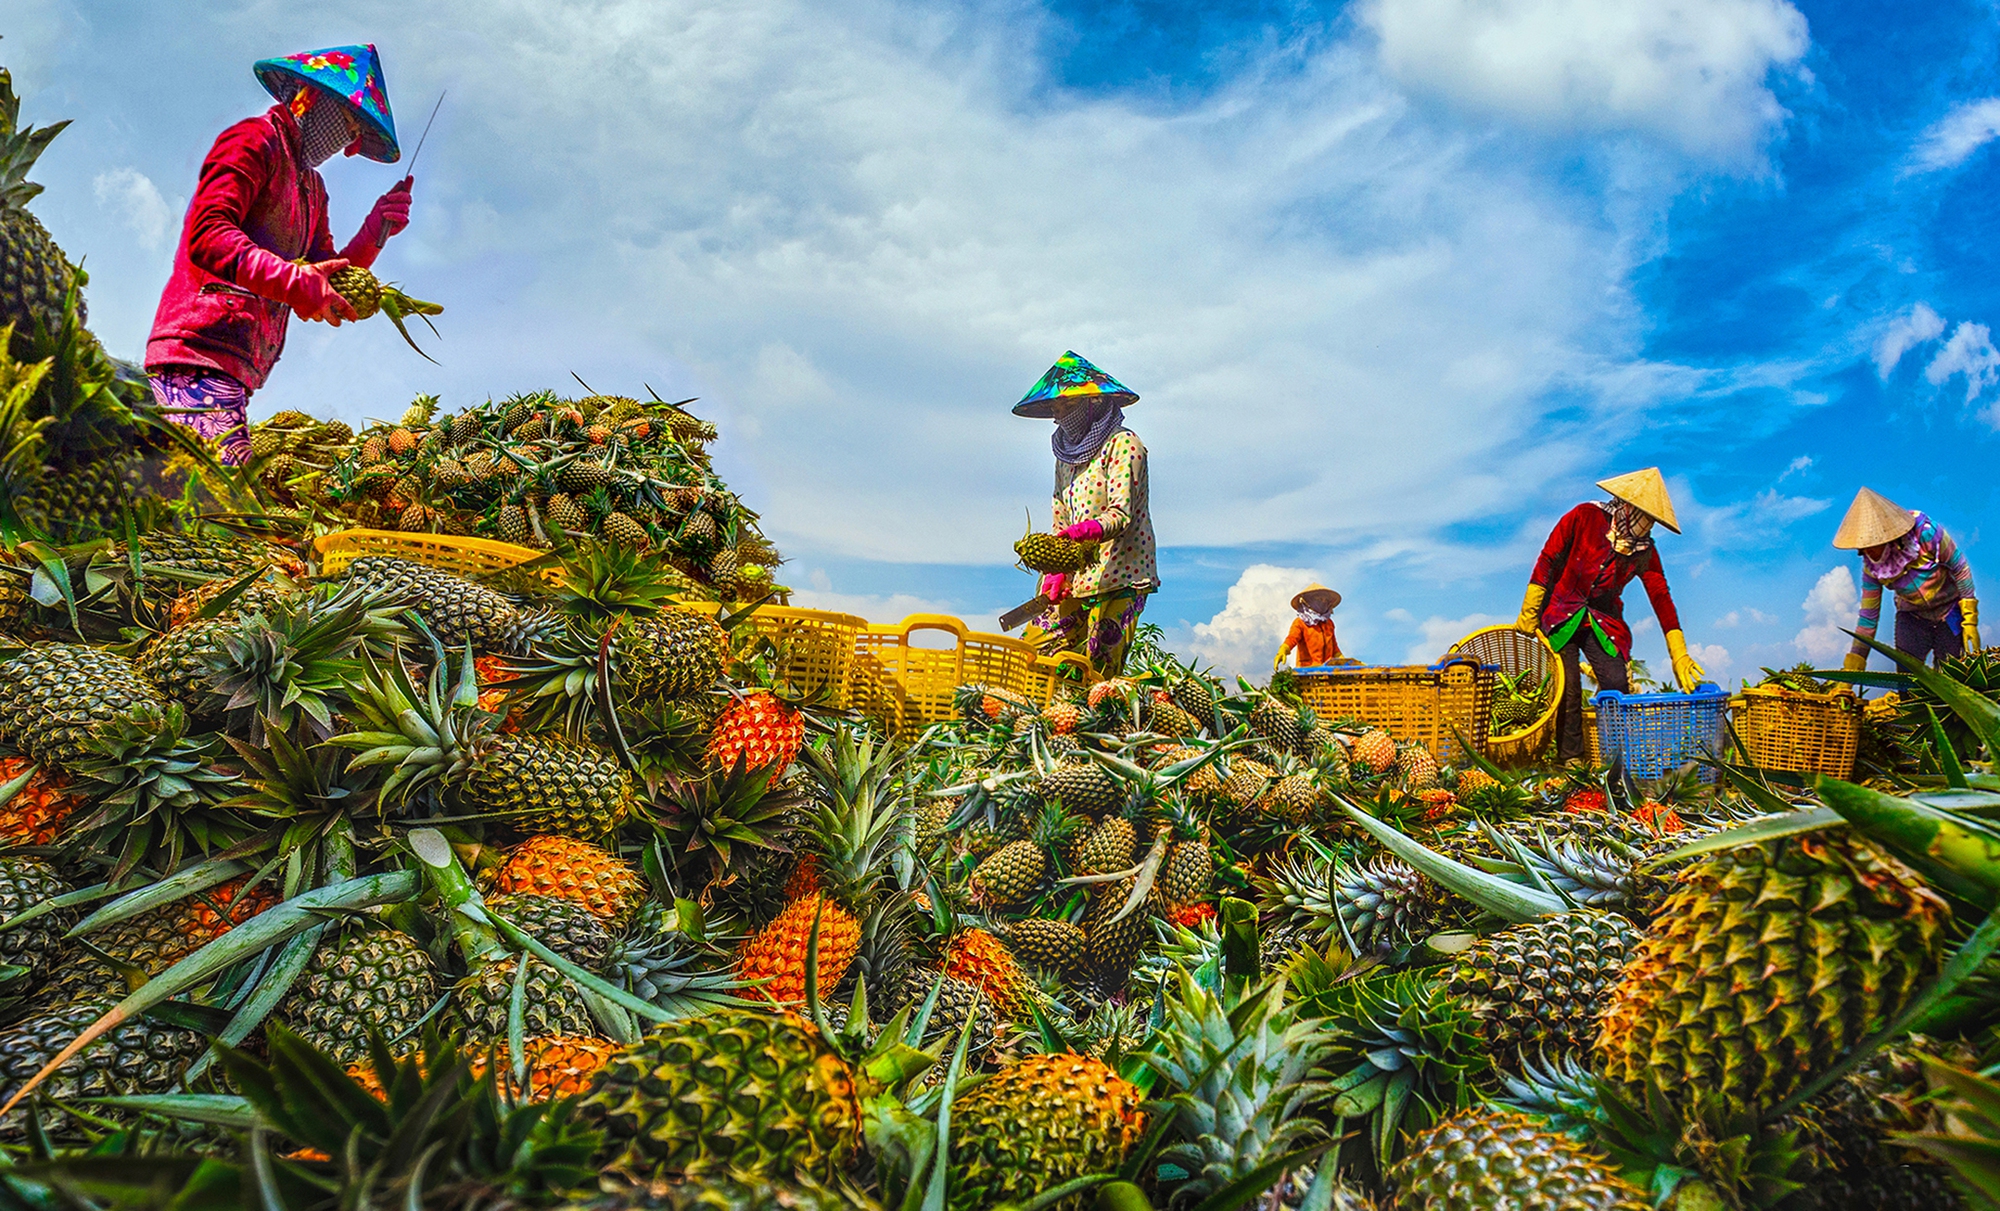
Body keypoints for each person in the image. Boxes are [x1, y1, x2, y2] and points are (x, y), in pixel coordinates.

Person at [147, 44, 410, 464]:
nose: (347, 148)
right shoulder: (253, 141)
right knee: (227, 510)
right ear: (310, 97)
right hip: (197, 353)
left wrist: (375, 229)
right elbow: (208, 234)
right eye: (347, 124)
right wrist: (293, 281)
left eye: (355, 136)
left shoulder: (313, 190)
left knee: (219, 507)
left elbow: (328, 278)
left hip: (238, 369)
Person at [1515, 468, 1706, 762]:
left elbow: (1660, 596)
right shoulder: (1583, 517)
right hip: (1561, 612)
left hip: (1603, 621)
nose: (1646, 525)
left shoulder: (1644, 551)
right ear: (1626, 505)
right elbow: (1548, 559)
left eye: (1652, 520)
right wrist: (1530, 611)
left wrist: (1678, 652)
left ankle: (1615, 760)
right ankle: (1571, 760)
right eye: (1643, 514)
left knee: (1616, 682)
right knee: (1567, 689)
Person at [1016, 351, 1158, 677]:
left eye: (1068, 406)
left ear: (1094, 402)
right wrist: (1056, 569)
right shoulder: (1065, 455)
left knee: (1098, 672)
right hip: (1077, 576)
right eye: (1055, 408)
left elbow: (1121, 513)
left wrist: (1082, 533)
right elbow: (1060, 515)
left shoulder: (1125, 444)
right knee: (1035, 656)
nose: (1059, 416)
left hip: (1122, 573)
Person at [1834, 487, 1978, 669]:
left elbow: (1960, 567)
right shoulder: (1872, 568)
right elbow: (1868, 618)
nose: (1867, 550)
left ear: (1887, 537)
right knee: (1907, 678)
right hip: (1912, 617)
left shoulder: (1926, 533)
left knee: (1951, 672)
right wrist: (1854, 664)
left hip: (1950, 610)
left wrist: (1970, 618)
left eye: (1872, 543)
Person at [1275, 583, 1347, 668]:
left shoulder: (1329, 624)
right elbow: (1292, 638)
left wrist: (1346, 662)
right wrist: (1283, 650)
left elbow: (1334, 649)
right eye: (1319, 599)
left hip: (1327, 673)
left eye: (1325, 600)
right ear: (1309, 600)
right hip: (1307, 672)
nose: (1323, 602)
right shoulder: (1301, 622)